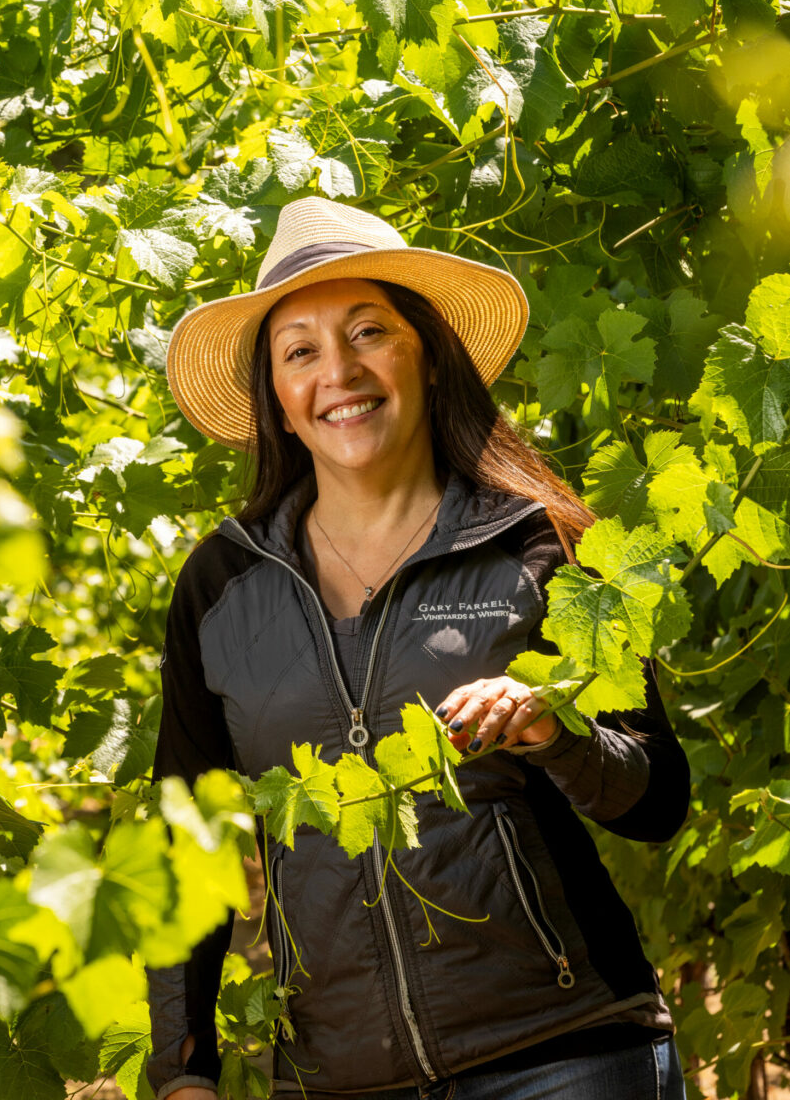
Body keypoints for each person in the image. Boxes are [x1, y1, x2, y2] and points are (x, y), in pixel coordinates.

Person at [146, 197, 690, 1100]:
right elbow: (184, 845)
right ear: (276, 401)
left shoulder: (543, 544)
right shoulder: (219, 586)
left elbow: (656, 796)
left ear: (428, 359)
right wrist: (182, 1074)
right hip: (337, 1080)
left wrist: (553, 734)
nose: (338, 372)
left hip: (566, 1055)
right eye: (300, 351)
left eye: (369, 332)